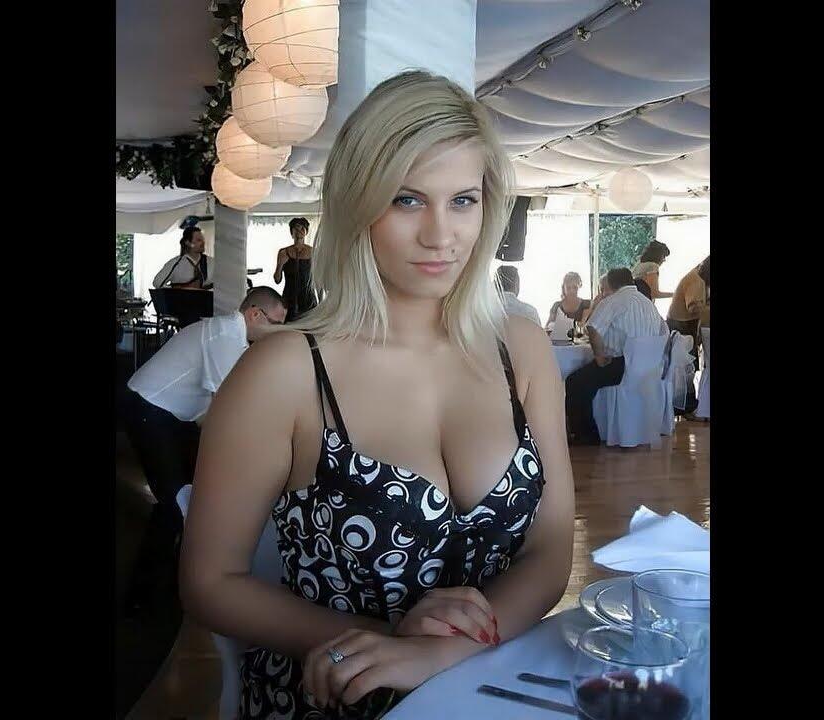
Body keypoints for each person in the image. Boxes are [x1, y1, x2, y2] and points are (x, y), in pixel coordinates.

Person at [179, 70, 574, 720]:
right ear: (359, 202)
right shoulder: (284, 374)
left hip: (493, 687)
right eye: (407, 199)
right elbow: (208, 583)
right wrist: (389, 642)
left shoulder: (521, 350)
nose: (440, 235)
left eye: (463, 200)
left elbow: (551, 547)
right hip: (336, 694)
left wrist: (445, 653)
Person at [121, 287, 288, 615]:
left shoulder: (235, 338)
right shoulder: (224, 337)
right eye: (277, 324)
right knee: (176, 503)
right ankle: (142, 601)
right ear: (255, 315)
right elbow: (224, 411)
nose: (279, 333)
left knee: (186, 498)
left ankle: (168, 587)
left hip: (169, 415)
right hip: (148, 410)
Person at [564, 267, 667, 445]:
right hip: (648, 370)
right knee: (587, 378)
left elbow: (593, 327)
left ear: (610, 284)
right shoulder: (647, 303)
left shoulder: (615, 300)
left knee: (575, 381)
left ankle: (586, 435)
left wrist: (599, 356)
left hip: (622, 366)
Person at [667, 256, 708, 416]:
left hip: (684, 325)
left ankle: (688, 407)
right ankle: (686, 408)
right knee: (685, 370)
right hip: (682, 326)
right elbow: (693, 307)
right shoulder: (697, 281)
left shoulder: (696, 277)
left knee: (686, 369)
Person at [274, 217, 318, 320]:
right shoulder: (283, 252)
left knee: (309, 326)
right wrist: (280, 264)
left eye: (303, 228)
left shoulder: (314, 252)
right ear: (291, 232)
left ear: (306, 232)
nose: (300, 231)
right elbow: (277, 280)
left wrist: (321, 303)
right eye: (296, 228)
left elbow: (318, 280)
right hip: (289, 299)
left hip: (309, 300)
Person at [546, 272, 591, 339]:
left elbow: (583, 327)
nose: (572, 291)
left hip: (581, 343)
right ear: (563, 288)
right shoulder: (556, 306)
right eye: (568, 288)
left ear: (579, 286)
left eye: (575, 287)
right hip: (559, 342)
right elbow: (548, 327)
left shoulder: (586, 304)